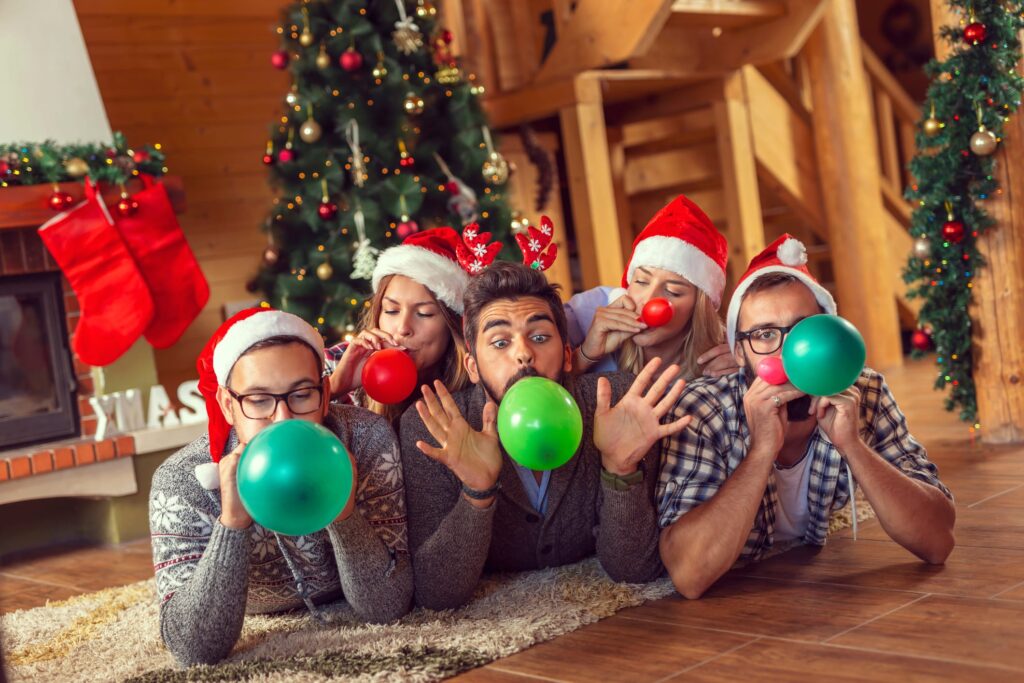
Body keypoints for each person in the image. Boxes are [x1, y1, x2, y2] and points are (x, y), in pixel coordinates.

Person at [657, 235, 956, 599]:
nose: (790, 351)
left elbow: (938, 542)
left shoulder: (866, 391)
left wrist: (854, 447)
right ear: (739, 353)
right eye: (765, 334)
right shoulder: (701, 410)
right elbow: (689, 575)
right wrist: (761, 451)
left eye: (804, 330)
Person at [400, 257, 691, 610]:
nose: (524, 353)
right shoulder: (434, 426)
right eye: (500, 342)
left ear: (567, 355)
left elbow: (634, 570)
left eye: (539, 337)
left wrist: (620, 470)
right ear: (472, 366)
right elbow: (436, 593)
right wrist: (477, 494)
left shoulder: (617, 407)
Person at [149, 307, 412, 666]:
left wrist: (344, 511)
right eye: (258, 400)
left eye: (301, 395)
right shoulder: (181, 482)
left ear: (325, 392)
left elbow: (387, 607)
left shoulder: (367, 441)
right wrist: (232, 524)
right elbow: (194, 648)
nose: (282, 419)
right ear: (228, 405)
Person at [567, 195, 736, 380]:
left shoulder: (728, 352)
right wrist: (584, 355)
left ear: (698, 308)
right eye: (641, 281)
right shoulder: (583, 314)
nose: (648, 301)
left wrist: (749, 366)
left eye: (673, 291)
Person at [325, 227, 477, 426]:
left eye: (424, 313)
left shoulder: (474, 385)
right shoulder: (337, 361)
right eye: (391, 311)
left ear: (452, 324)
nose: (403, 328)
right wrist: (334, 387)